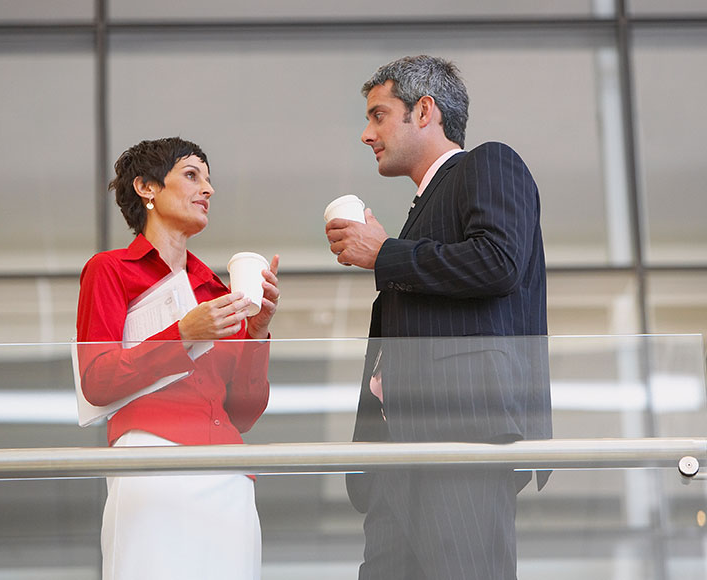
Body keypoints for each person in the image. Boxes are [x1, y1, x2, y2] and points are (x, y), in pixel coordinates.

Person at [325, 55, 551, 580]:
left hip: (462, 436)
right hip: (397, 457)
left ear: (424, 110)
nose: (366, 133)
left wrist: (385, 254)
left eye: (378, 115)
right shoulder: (420, 211)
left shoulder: (489, 162)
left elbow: (498, 262)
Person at [76, 137, 279, 580]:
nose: (207, 189)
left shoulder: (217, 292)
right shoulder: (110, 270)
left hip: (229, 474)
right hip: (151, 459)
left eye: (208, 180)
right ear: (147, 187)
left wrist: (258, 332)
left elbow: (242, 414)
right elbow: (95, 380)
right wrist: (182, 334)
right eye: (192, 175)